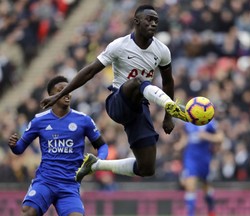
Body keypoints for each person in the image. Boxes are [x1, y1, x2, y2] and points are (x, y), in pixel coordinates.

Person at [40, 4, 187, 182]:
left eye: (156, 20)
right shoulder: (119, 45)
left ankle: (96, 165)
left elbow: (168, 81)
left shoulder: (162, 50)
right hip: (118, 101)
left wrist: (168, 117)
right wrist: (59, 94)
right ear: (136, 21)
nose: (153, 23)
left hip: (140, 108)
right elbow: (90, 71)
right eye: (149, 19)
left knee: (147, 168)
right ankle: (171, 105)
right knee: (139, 81)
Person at [8, 75, 108, 216]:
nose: (67, 93)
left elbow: (102, 146)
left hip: (69, 185)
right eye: (61, 90)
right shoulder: (39, 121)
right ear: (51, 96)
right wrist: (13, 145)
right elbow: (19, 149)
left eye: (69, 89)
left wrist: (99, 161)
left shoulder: (83, 120)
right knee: (28, 212)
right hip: (45, 182)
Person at [175, 119, 224, 216]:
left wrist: (206, 136)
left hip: (205, 159)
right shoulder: (188, 123)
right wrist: (179, 145)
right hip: (190, 158)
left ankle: (211, 210)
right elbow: (185, 138)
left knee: (206, 187)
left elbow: (220, 138)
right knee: (190, 185)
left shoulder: (211, 123)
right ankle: (190, 214)